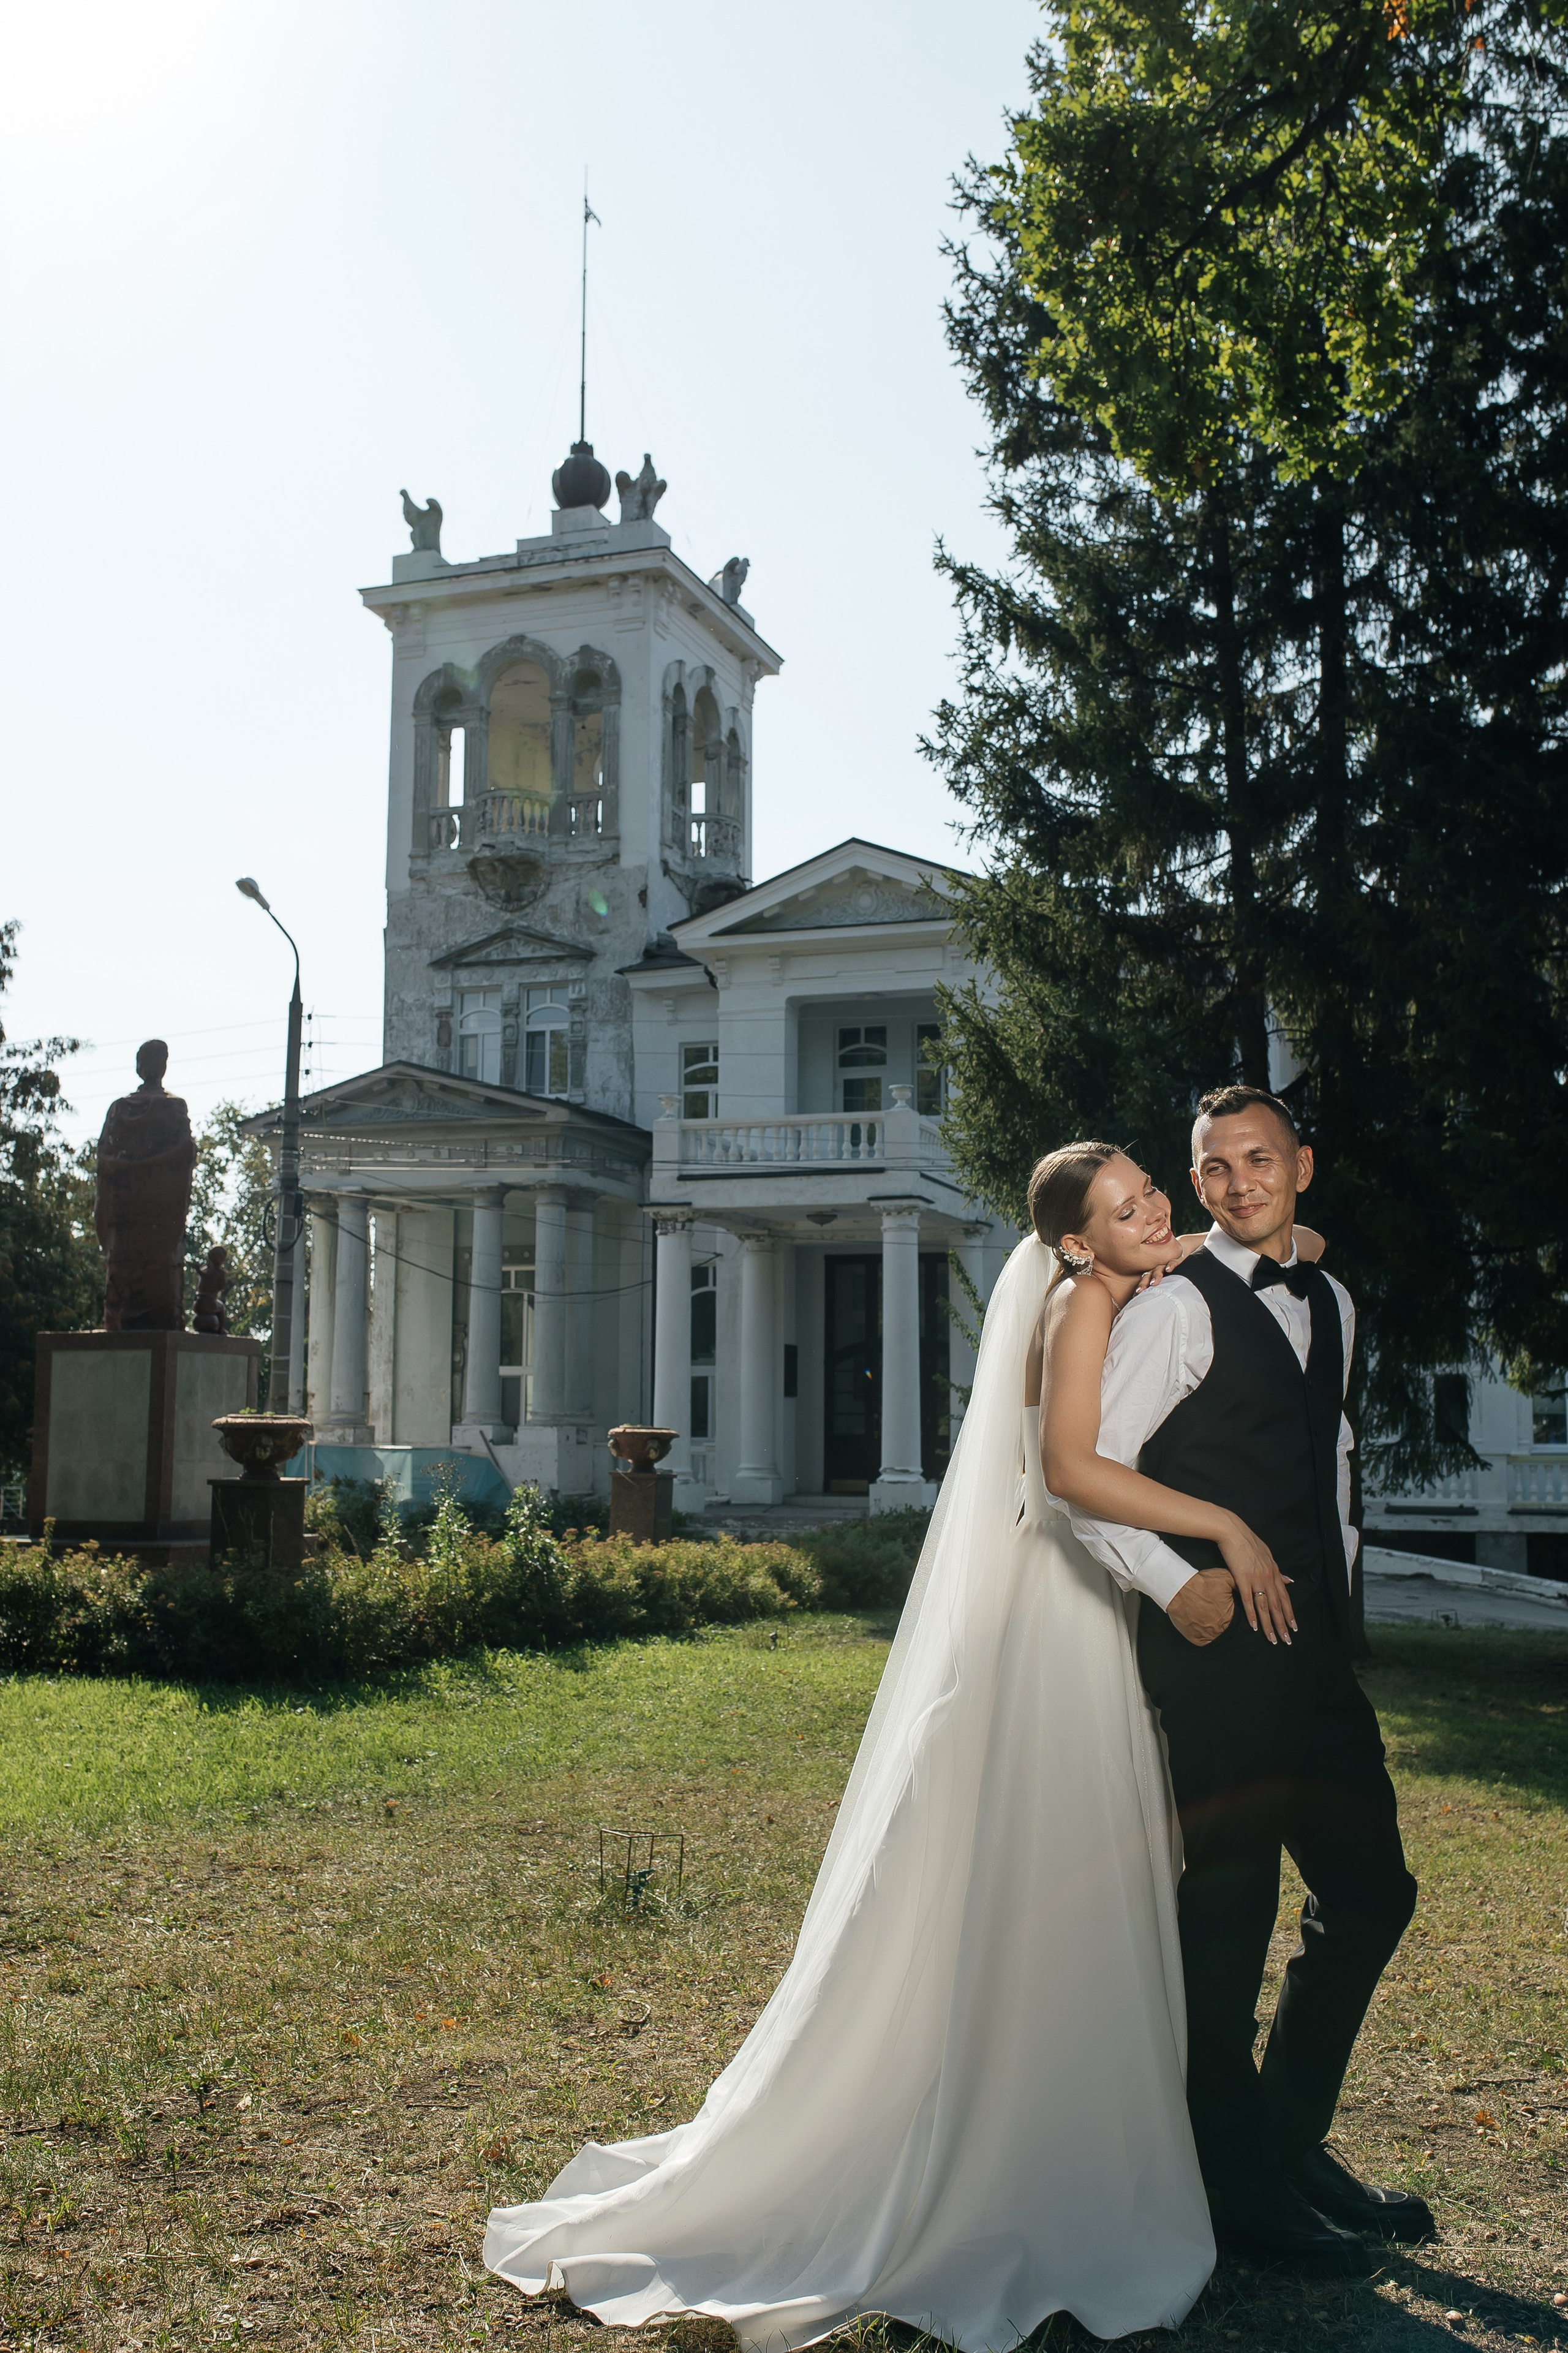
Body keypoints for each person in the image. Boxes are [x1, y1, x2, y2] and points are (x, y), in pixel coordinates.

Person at [484, 1144, 1302, 2351]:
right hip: (1053, 1610)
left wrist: (1211, 1250)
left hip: (1055, 1601)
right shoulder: (1081, 1308)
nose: (1156, 1209)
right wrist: (1216, 1531)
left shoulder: (1095, 1284)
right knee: (1041, 1853)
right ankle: (1016, 2158)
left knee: (1024, 1858)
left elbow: (1192, 1268)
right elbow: (1073, 1473)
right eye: (1126, 1204)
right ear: (1075, 1242)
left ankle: (1042, 2125)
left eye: (1151, 1192)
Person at [1050, 1086, 1431, 2276]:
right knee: (1224, 1911)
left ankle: (1279, 2137)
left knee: (1369, 1890)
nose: (1234, 1182)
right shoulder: (1170, 1308)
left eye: (1257, 1159)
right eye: (1211, 1165)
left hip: (1312, 1644)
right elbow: (1082, 1472)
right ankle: (1231, 2191)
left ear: (1300, 1167)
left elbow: (1323, 1454)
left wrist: (1338, 1601)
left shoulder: (1333, 1297)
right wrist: (1173, 1582)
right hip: (1213, 1647)